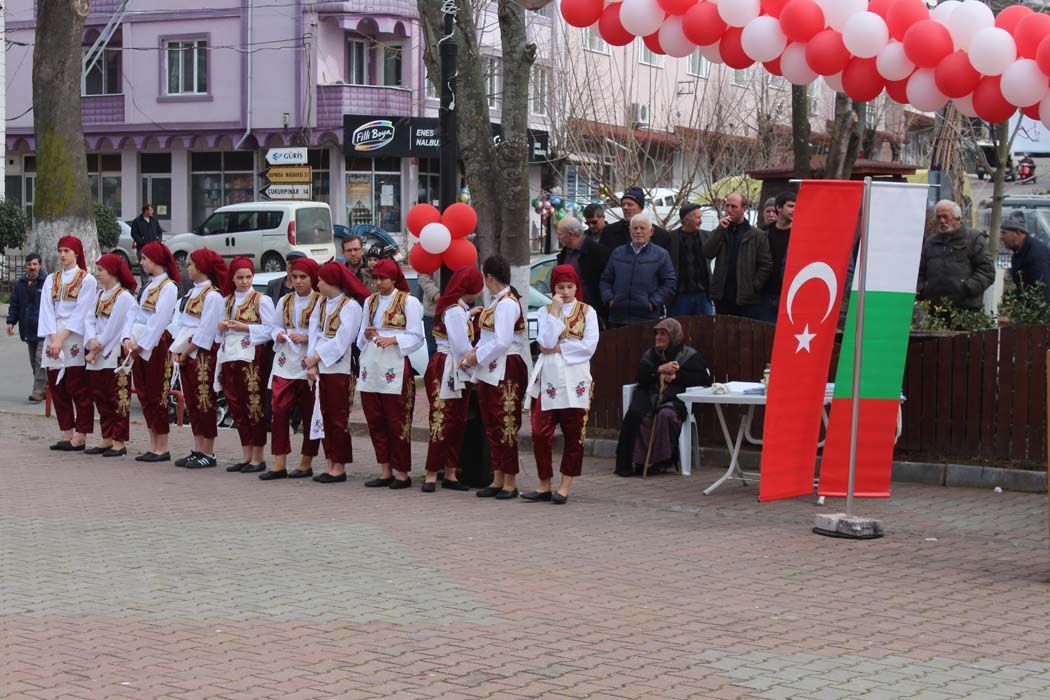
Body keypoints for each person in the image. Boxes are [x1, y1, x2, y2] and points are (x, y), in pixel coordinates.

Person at [523, 265, 599, 504]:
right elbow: (544, 342)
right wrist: (555, 312)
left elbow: (589, 346)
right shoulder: (545, 311)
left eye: (569, 287)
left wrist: (559, 347)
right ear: (553, 288)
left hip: (575, 378)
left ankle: (565, 486)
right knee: (539, 432)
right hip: (549, 378)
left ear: (576, 287)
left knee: (574, 433)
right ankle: (544, 483)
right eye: (560, 287)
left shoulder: (587, 312)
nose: (565, 292)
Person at [457, 255, 531, 500]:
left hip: (507, 367)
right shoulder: (496, 302)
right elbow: (489, 338)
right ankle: (497, 477)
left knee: (506, 423)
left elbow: (502, 341)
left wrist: (475, 357)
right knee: (492, 423)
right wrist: (474, 353)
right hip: (491, 367)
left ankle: (510, 481)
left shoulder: (507, 303)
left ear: (489, 277)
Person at [357, 259, 425, 490]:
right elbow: (361, 336)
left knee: (397, 420)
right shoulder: (370, 302)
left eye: (382, 278)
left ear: (394, 279)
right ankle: (385, 470)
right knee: (375, 419)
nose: (378, 283)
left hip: (394, 365)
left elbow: (416, 337)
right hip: (371, 364)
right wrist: (367, 335)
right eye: (375, 278)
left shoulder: (409, 301)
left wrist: (394, 339)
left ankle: (402, 472)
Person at [614, 318, 713, 477]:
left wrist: (675, 376)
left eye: (663, 334)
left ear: (673, 336)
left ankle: (659, 461)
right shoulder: (650, 355)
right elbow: (641, 377)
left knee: (666, 415)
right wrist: (659, 369)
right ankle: (638, 461)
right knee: (637, 414)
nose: (658, 337)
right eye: (657, 334)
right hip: (649, 396)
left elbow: (703, 379)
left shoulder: (689, 356)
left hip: (676, 398)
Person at [306, 261, 369, 484]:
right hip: (320, 363)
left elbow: (344, 340)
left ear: (332, 282)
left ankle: (340, 465)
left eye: (321, 281)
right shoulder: (322, 302)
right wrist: (311, 361)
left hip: (339, 366)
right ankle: (330, 461)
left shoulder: (350, 306)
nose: (317, 284)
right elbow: (313, 332)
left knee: (337, 415)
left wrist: (317, 356)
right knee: (322, 413)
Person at [258, 257, 322, 481]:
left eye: (303, 277)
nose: (298, 281)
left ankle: (306, 462)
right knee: (278, 410)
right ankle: (279, 462)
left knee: (309, 412)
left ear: (312, 278)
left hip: (309, 360)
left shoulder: (321, 301)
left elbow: (325, 331)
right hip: (285, 360)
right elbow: (274, 325)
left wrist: (306, 337)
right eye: (294, 277)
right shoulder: (285, 300)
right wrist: (279, 334)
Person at [421, 265, 483, 493]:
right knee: (443, 418)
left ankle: (450, 471)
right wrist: (476, 366)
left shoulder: (456, 308)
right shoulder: (455, 311)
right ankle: (432, 473)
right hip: (449, 367)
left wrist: (470, 314)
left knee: (457, 420)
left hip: (452, 366)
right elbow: (461, 346)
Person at [38, 236, 98, 452]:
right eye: (60, 251)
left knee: (78, 385)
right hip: (53, 333)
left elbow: (82, 312)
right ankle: (67, 432)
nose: (62, 255)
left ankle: (81, 435)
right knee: (56, 386)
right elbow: (46, 309)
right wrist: (53, 338)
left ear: (76, 253)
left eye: (67, 251)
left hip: (74, 336)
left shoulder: (87, 280)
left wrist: (61, 339)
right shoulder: (51, 279)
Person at [217, 257, 276, 474]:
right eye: (240, 277)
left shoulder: (261, 300)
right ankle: (246, 454)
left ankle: (258, 456)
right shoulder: (227, 301)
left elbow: (271, 330)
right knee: (236, 405)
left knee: (254, 405)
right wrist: (222, 326)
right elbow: (218, 333)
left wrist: (245, 327)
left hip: (252, 358)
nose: (244, 281)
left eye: (248, 277)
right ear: (232, 279)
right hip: (230, 356)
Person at [170, 249, 227, 470]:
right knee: (192, 402)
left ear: (201, 267)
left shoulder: (212, 296)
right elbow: (182, 323)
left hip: (202, 354)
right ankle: (197, 448)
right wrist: (178, 348)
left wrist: (186, 351)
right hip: (187, 351)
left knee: (204, 400)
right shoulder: (192, 292)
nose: (187, 268)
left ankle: (208, 451)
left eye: (191, 264)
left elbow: (206, 330)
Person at [126, 242, 180, 463]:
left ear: (156, 260)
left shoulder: (169, 287)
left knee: (157, 394)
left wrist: (142, 344)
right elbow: (138, 314)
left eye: (145, 259)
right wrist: (129, 338)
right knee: (144, 392)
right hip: (141, 342)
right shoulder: (149, 285)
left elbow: (160, 319)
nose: (141, 263)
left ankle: (162, 446)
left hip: (157, 344)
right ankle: (153, 444)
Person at [83, 254, 137, 458]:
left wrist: (97, 347)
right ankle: (106, 436)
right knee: (100, 395)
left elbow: (115, 326)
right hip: (97, 348)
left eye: (101, 270)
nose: (97, 274)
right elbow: (88, 319)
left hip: (113, 351)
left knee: (117, 396)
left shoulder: (124, 297)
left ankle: (119, 440)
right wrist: (91, 339)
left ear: (112, 272)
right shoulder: (99, 295)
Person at [599, 212, 677, 328]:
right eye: (635, 228)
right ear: (630, 231)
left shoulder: (661, 255)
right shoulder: (618, 253)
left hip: (648, 318)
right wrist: (610, 300)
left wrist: (653, 303)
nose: (638, 231)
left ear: (651, 232)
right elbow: (605, 280)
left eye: (642, 228)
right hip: (618, 318)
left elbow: (669, 283)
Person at [702, 192, 772, 320]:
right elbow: (707, 253)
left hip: (746, 299)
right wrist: (720, 230)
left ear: (744, 209)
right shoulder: (721, 231)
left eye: (734, 206)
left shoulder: (757, 235)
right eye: (727, 205)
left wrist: (754, 286)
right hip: (722, 296)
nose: (729, 210)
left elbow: (765, 264)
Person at [917, 200, 996, 312]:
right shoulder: (930, 242)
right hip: (936, 310)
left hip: (965, 311)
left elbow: (987, 271)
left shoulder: (974, 239)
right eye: (938, 217)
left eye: (945, 217)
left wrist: (967, 288)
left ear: (958, 218)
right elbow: (919, 271)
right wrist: (924, 290)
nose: (942, 221)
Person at [6, 253, 48, 402]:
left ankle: (37, 391)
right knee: (33, 361)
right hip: (28, 329)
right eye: (29, 264)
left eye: (35, 264)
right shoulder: (20, 284)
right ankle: (45, 387)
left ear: (40, 265)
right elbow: (14, 305)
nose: (32, 267)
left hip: (43, 329)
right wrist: (11, 322)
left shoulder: (46, 282)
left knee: (39, 359)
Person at [555, 216, 610, 318]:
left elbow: (605, 282)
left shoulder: (598, 252)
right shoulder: (563, 255)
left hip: (593, 313)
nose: (558, 237)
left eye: (559, 233)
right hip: (569, 312)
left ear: (570, 234)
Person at [667, 203, 713, 317]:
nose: (701, 221)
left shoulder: (707, 236)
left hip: (702, 296)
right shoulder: (671, 238)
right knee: (677, 327)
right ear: (686, 220)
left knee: (705, 326)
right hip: (679, 298)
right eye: (698, 217)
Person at [598, 187, 670, 251]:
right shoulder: (609, 232)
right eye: (623, 204)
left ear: (641, 208)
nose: (625, 208)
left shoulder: (660, 235)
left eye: (630, 204)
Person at [762, 190, 796, 322]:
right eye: (790, 206)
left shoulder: (799, 234)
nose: (794, 210)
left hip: (789, 296)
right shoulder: (763, 233)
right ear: (779, 207)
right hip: (765, 296)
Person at [1001, 210, 1050, 303]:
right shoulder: (1020, 251)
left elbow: (1044, 294)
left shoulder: (1036, 254)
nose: (1001, 237)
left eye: (1004, 233)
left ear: (1018, 233)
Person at [417, 270, 441, 356]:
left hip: (458, 307)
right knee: (434, 351)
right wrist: (435, 294)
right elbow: (423, 276)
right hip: (433, 311)